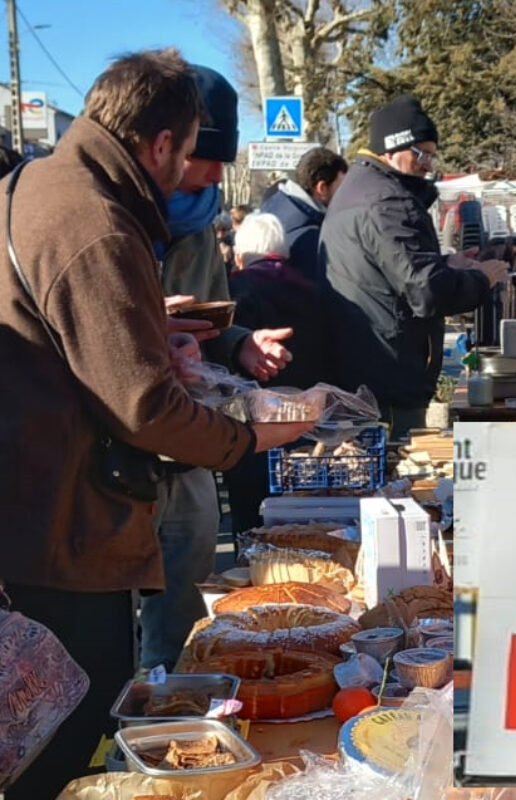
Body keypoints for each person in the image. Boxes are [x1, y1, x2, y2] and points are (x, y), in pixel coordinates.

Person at [0, 50, 311, 798]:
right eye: (189, 154)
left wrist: (156, 333)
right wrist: (251, 437)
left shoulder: (41, 184)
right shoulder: (95, 221)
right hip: (62, 527)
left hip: (40, 510)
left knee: (51, 720)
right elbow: (139, 406)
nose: (188, 178)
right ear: (161, 142)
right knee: (67, 730)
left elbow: (68, 345)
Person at [140, 65, 296, 673]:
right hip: (113, 458)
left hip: (187, 446)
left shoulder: (201, 222)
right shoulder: (111, 219)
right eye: (208, 161)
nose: (217, 179)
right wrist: (151, 326)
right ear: (170, 146)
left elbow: (208, 318)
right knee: (102, 632)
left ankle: (166, 708)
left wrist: (238, 344)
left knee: (181, 616)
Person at [319, 94, 508, 437]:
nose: (429, 165)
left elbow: (389, 270)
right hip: (388, 373)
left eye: (433, 155)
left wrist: (447, 263)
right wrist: (481, 279)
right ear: (391, 150)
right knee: (396, 475)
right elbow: (426, 290)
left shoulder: (360, 189)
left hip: (366, 364)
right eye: (421, 153)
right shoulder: (388, 200)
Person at [226, 212, 333, 531]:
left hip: (253, 424)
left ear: (241, 255)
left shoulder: (237, 289)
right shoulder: (313, 287)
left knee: (250, 519)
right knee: (299, 518)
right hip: (305, 417)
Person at [261, 146, 347, 281]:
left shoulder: (272, 211)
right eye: (341, 187)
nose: (345, 194)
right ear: (322, 188)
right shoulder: (312, 239)